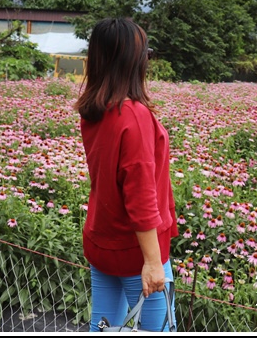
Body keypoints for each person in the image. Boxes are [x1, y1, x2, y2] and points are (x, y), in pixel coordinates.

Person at [75, 18, 178, 332]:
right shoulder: (134, 114)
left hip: (102, 241)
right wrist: (152, 261)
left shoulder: (94, 109)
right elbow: (141, 194)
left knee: (104, 326)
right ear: (134, 61)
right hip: (138, 252)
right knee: (156, 331)